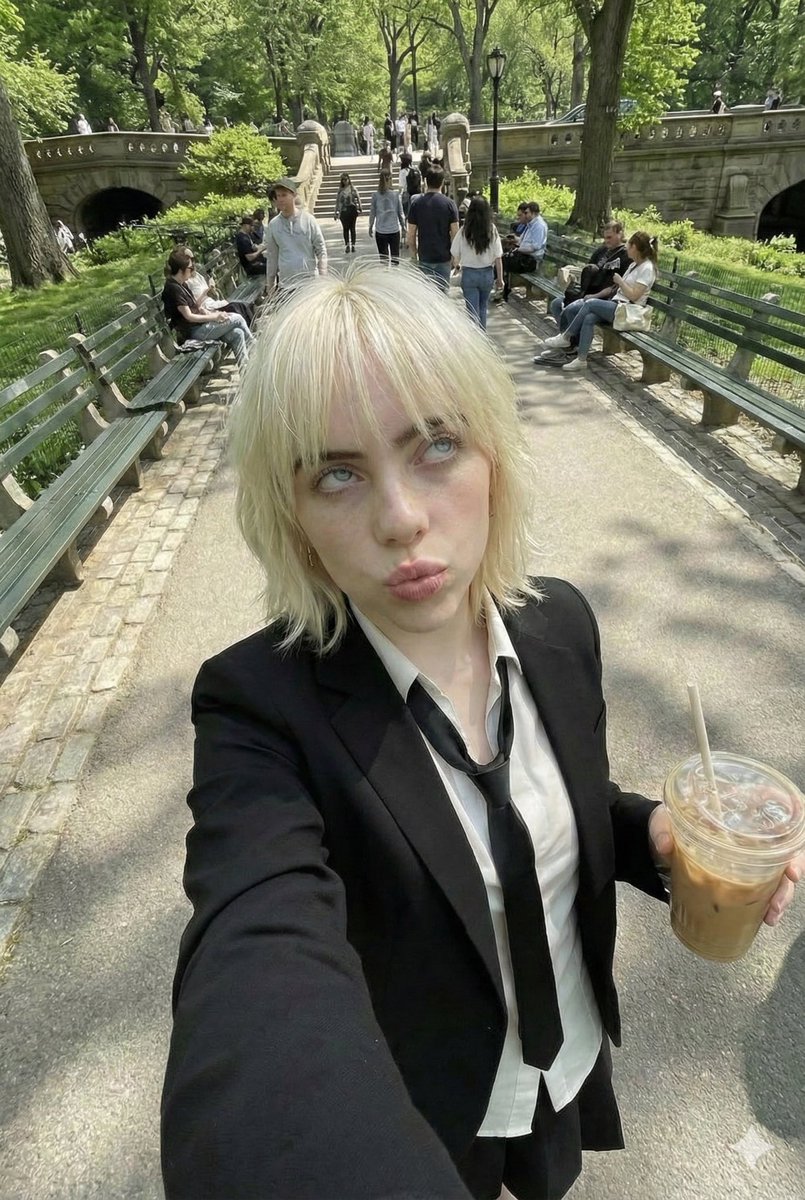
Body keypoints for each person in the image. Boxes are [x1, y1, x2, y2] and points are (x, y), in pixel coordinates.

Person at [158, 259, 805, 1200]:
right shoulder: (257, 707)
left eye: (435, 447)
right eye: (336, 473)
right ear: (290, 516)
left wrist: (652, 837)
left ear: (493, 455)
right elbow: (255, 951)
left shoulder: (557, 624)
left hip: (563, 1065)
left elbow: (568, 801)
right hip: (424, 1110)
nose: (401, 519)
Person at [536, 230, 658, 372]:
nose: (626, 248)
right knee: (589, 317)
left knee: (590, 304)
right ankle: (581, 359)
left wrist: (620, 281)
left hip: (628, 311)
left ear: (635, 248)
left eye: (629, 245)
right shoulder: (634, 265)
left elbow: (634, 296)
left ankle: (566, 337)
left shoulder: (647, 268)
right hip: (617, 306)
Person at [535, 221, 631, 365]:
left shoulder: (625, 256)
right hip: (587, 292)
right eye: (605, 237)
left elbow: (615, 287)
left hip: (604, 299)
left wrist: (594, 296)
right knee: (556, 303)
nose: (606, 241)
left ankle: (571, 344)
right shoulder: (601, 251)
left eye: (610, 237)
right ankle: (568, 345)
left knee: (571, 309)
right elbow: (589, 271)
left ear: (620, 234)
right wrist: (572, 276)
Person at [160, 245, 253, 367]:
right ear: (181, 269)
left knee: (237, 333)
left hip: (201, 327)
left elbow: (196, 306)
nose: (192, 269)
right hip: (195, 332)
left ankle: (245, 372)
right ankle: (255, 346)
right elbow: (189, 316)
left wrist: (210, 313)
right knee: (237, 318)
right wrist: (214, 317)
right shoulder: (173, 289)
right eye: (190, 267)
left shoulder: (182, 284)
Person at [264, 176, 328, 293]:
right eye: (278, 196)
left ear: (293, 195)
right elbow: (272, 257)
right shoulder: (273, 225)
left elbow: (321, 250)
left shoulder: (308, 220)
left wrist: (323, 276)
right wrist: (270, 286)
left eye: (284, 195)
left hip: (309, 284)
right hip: (286, 286)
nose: (280, 199)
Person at [450, 196, 503, 330]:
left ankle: (476, 339)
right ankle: (483, 336)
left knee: (472, 311)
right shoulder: (491, 229)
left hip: (469, 274)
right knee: (483, 308)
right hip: (487, 274)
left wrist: (457, 266)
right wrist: (500, 279)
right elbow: (498, 256)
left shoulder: (464, 231)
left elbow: (454, 252)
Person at [406, 164, 459, 293]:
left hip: (425, 256)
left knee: (427, 297)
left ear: (425, 181)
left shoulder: (416, 204)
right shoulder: (449, 204)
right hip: (444, 256)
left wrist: (413, 255)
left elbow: (411, 234)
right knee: (443, 296)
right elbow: (455, 233)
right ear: (442, 182)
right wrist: (455, 257)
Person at [495, 202, 548, 304]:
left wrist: (518, 249)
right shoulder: (531, 224)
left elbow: (535, 247)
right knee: (502, 257)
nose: (525, 214)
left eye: (526, 212)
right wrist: (514, 240)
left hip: (531, 261)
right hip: (524, 257)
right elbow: (523, 241)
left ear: (533, 213)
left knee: (503, 261)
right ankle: (501, 290)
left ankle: (502, 291)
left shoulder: (539, 226)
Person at [183, 257, 255, 326]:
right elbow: (196, 304)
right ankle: (250, 326)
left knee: (242, 305)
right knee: (235, 307)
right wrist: (208, 289)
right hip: (207, 307)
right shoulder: (186, 283)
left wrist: (212, 287)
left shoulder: (198, 276)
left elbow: (211, 293)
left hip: (212, 302)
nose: (194, 266)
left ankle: (253, 325)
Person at [369, 168, 405, 266]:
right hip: (394, 230)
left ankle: (386, 278)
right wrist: (403, 226)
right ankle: (393, 279)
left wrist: (370, 225)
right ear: (390, 179)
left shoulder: (375, 195)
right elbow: (400, 212)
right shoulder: (395, 194)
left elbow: (372, 212)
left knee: (383, 260)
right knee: (395, 259)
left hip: (381, 231)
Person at [334, 172, 362, 253]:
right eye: (343, 180)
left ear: (349, 180)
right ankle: (347, 245)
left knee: (352, 228)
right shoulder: (340, 191)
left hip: (352, 210)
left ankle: (353, 245)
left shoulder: (353, 188)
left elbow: (358, 197)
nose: (344, 181)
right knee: (345, 228)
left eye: (346, 179)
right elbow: (337, 202)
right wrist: (335, 212)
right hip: (343, 211)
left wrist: (360, 206)